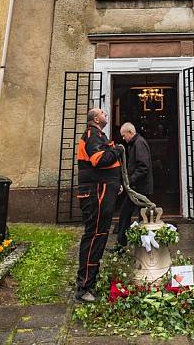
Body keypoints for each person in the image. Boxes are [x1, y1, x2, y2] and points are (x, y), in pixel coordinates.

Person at [75, 108, 122, 301]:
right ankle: (84, 287)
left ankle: (90, 280)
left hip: (103, 190)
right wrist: (117, 150)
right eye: (103, 113)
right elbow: (100, 160)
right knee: (94, 236)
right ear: (96, 118)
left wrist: (115, 184)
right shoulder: (92, 135)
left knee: (100, 235)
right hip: (96, 193)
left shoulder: (99, 135)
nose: (106, 114)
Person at [116, 122, 154, 247]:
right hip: (137, 188)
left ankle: (142, 247)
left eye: (123, 135)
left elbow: (143, 167)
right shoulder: (135, 144)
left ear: (130, 133)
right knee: (127, 215)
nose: (123, 138)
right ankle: (123, 246)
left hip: (139, 189)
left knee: (140, 218)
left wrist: (130, 181)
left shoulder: (138, 143)